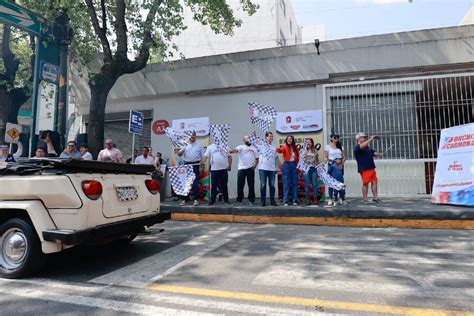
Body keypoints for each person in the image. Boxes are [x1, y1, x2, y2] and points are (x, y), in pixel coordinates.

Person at [229, 135, 259, 206]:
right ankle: (239, 200)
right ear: (244, 140)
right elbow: (235, 150)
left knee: (251, 185)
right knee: (240, 185)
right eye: (247, 138)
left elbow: (257, 159)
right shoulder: (241, 147)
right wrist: (231, 151)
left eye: (249, 138)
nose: (249, 140)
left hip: (250, 169)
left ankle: (251, 200)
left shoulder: (254, 148)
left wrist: (254, 166)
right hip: (241, 169)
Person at [354, 132, 383, 203]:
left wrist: (378, 154)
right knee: (366, 183)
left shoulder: (367, 147)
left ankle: (375, 198)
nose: (365, 138)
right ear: (359, 138)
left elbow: (373, 153)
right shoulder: (357, 147)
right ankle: (365, 199)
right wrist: (371, 138)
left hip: (371, 167)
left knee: (374, 182)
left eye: (365, 137)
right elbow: (362, 146)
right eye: (363, 137)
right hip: (364, 168)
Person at [177, 131, 205, 206]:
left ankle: (195, 199)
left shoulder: (200, 145)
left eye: (193, 135)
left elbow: (203, 157)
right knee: (185, 183)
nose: (192, 136)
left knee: (195, 183)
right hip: (186, 165)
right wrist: (182, 150)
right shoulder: (184, 144)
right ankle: (184, 200)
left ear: (195, 136)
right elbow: (179, 154)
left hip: (196, 165)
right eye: (190, 135)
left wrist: (201, 167)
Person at [324, 133, 347, 206]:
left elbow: (344, 157)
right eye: (335, 137)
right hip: (332, 165)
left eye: (338, 137)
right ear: (331, 138)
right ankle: (331, 198)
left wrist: (341, 164)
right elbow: (326, 157)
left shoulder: (341, 146)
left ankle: (341, 198)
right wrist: (334, 161)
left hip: (340, 165)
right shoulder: (327, 146)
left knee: (340, 181)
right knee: (331, 182)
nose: (337, 138)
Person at [276, 135, 300, 206]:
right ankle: (285, 201)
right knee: (286, 183)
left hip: (294, 165)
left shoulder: (295, 148)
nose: (289, 140)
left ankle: (295, 200)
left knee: (295, 183)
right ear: (286, 140)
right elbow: (280, 151)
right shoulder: (284, 146)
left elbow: (298, 156)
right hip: (286, 165)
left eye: (290, 139)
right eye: (288, 139)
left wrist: (298, 165)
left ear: (292, 140)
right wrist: (276, 148)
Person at [257, 131, 278, 207]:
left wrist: (276, 167)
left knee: (272, 185)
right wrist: (254, 134)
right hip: (262, 168)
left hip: (272, 169)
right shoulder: (261, 144)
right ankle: (263, 201)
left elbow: (276, 158)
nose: (271, 137)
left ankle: (272, 201)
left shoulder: (274, 146)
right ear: (266, 137)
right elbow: (254, 141)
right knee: (263, 185)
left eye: (272, 136)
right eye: (270, 136)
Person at [302, 138, 319, 205]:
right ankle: (308, 199)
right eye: (307, 142)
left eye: (309, 142)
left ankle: (315, 199)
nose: (308, 143)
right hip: (306, 169)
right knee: (307, 185)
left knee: (315, 184)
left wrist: (318, 166)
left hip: (313, 169)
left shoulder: (315, 151)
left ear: (312, 143)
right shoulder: (303, 151)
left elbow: (317, 161)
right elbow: (301, 161)